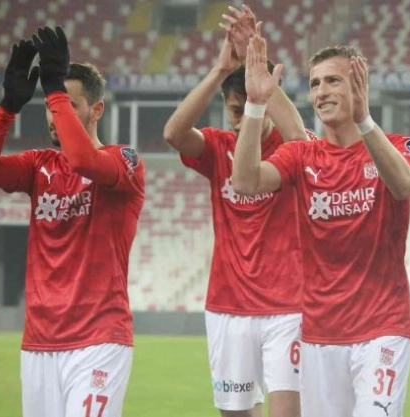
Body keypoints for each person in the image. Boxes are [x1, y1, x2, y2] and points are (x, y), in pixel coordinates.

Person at [231, 34, 410, 417]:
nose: (321, 92)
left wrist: (365, 121)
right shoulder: (302, 154)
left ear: (359, 84)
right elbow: (245, 182)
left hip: (382, 329)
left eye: (333, 80)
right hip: (320, 335)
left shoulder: (401, 145)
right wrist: (254, 106)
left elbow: (403, 186)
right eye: (315, 83)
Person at [0, 27, 144, 417]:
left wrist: (53, 90)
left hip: (99, 340)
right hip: (40, 343)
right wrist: (8, 108)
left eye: (68, 105)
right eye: (50, 105)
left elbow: (84, 160)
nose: (54, 115)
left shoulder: (126, 161)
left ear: (97, 110)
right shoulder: (39, 166)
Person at [163, 6, 309, 417]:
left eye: (251, 106)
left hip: (287, 305)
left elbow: (301, 136)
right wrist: (219, 71)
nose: (244, 117)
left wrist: (258, 77)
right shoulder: (217, 147)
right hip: (227, 306)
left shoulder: (288, 147)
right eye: (235, 109)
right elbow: (173, 133)